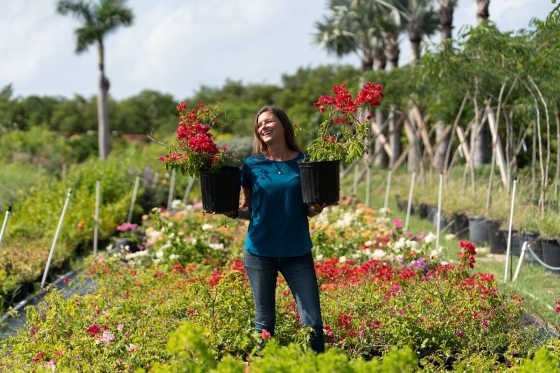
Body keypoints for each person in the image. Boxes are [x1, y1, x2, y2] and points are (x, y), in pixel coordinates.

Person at [225, 106, 328, 353]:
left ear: (283, 124)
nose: (263, 127)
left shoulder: (304, 162)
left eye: (268, 121)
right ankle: (260, 367)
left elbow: (309, 210)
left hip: (297, 252)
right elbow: (248, 209)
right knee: (264, 323)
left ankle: (317, 368)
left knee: (312, 322)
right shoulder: (252, 165)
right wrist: (230, 211)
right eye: (259, 125)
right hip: (260, 252)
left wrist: (318, 208)